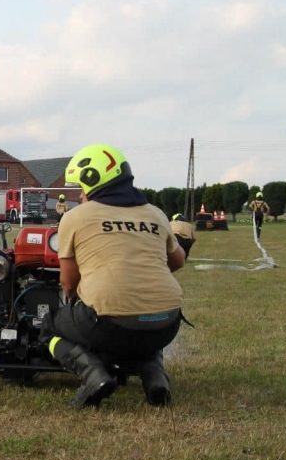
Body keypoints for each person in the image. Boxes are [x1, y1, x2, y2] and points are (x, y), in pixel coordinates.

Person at [41, 144, 185, 408]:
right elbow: (177, 261)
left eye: (81, 187)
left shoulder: (75, 217)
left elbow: (68, 283)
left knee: (48, 327)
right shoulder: (156, 213)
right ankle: (155, 378)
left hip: (110, 324)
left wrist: (79, 303)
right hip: (168, 323)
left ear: (92, 180)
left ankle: (93, 375)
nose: (81, 194)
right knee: (145, 322)